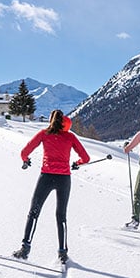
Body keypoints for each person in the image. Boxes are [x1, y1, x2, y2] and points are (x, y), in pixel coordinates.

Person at [13, 110, 90, 263]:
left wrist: (26, 161)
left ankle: (25, 249)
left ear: (51, 120)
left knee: (33, 212)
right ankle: (62, 253)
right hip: (64, 179)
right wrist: (77, 163)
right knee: (61, 216)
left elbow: (24, 151)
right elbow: (85, 158)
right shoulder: (70, 136)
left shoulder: (43, 133)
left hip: (46, 177)